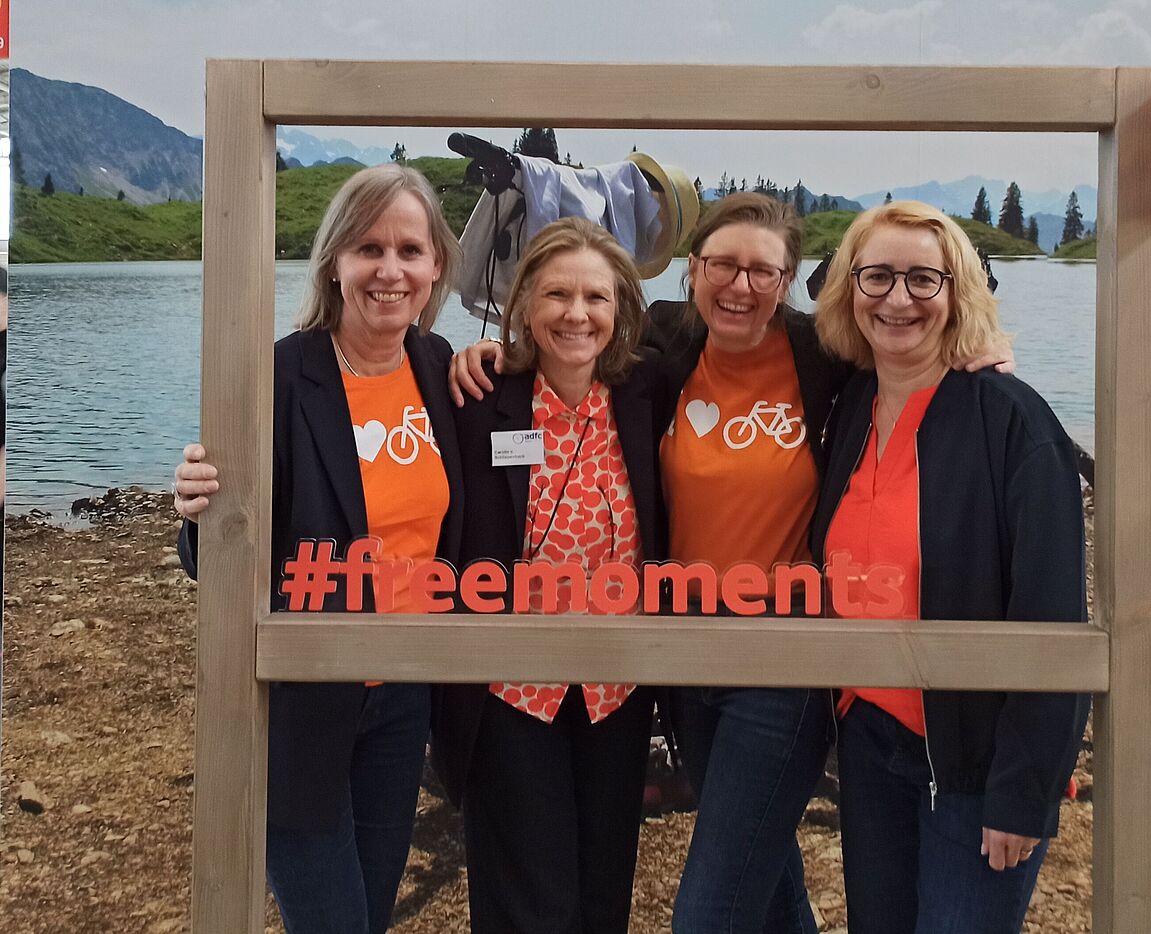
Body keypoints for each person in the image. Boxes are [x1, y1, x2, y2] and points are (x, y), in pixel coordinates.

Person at [450, 191, 1014, 934]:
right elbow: (573, 338)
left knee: (713, 905)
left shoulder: (824, 357)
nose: (740, 286)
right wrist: (485, 350)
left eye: (763, 271)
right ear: (693, 269)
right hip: (684, 664)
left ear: (788, 282)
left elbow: (904, 342)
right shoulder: (666, 350)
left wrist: (977, 352)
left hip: (781, 664)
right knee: (762, 870)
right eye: (723, 265)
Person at [172, 163, 464, 934]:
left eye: (410, 250)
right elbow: (214, 557)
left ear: (437, 265)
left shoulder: (441, 367)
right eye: (369, 248)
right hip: (300, 699)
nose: (390, 270)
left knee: (371, 911)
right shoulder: (276, 375)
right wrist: (197, 508)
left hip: (404, 694)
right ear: (335, 261)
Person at [810, 200, 1089, 933]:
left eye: (923, 280)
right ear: (849, 288)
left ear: (957, 291)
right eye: (876, 276)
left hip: (973, 759)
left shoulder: (1012, 419)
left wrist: (1025, 791)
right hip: (869, 739)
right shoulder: (852, 404)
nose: (898, 299)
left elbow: (1054, 614)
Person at [429, 216, 666, 934]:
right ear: (525, 303)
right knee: (529, 904)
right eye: (557, 294)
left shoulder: (647, 392)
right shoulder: (478, 400)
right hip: (512, 693)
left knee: (602, 896)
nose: (576, 314)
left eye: (596, 296)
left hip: (615, 693)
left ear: (620, 309)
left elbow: (744, 325)